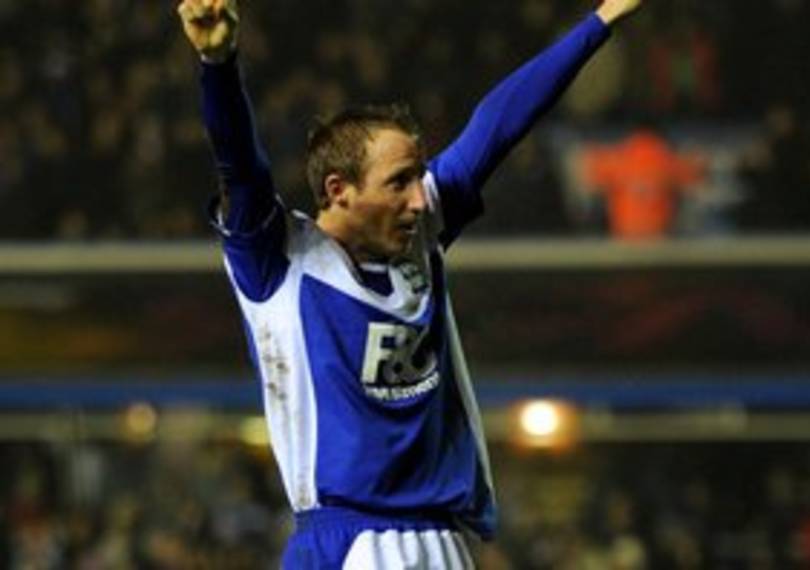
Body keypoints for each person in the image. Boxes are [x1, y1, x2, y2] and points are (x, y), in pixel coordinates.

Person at [177, 0, 642, 567]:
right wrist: (219, 65)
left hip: (431, 538)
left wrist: (599, 21)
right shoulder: (280, 261)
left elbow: (498, 125)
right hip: (348, 542)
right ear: (338, 189)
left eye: (420, 178)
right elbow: (240, 166)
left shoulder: (420, 233)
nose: (420, 199)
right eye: (399, 182)